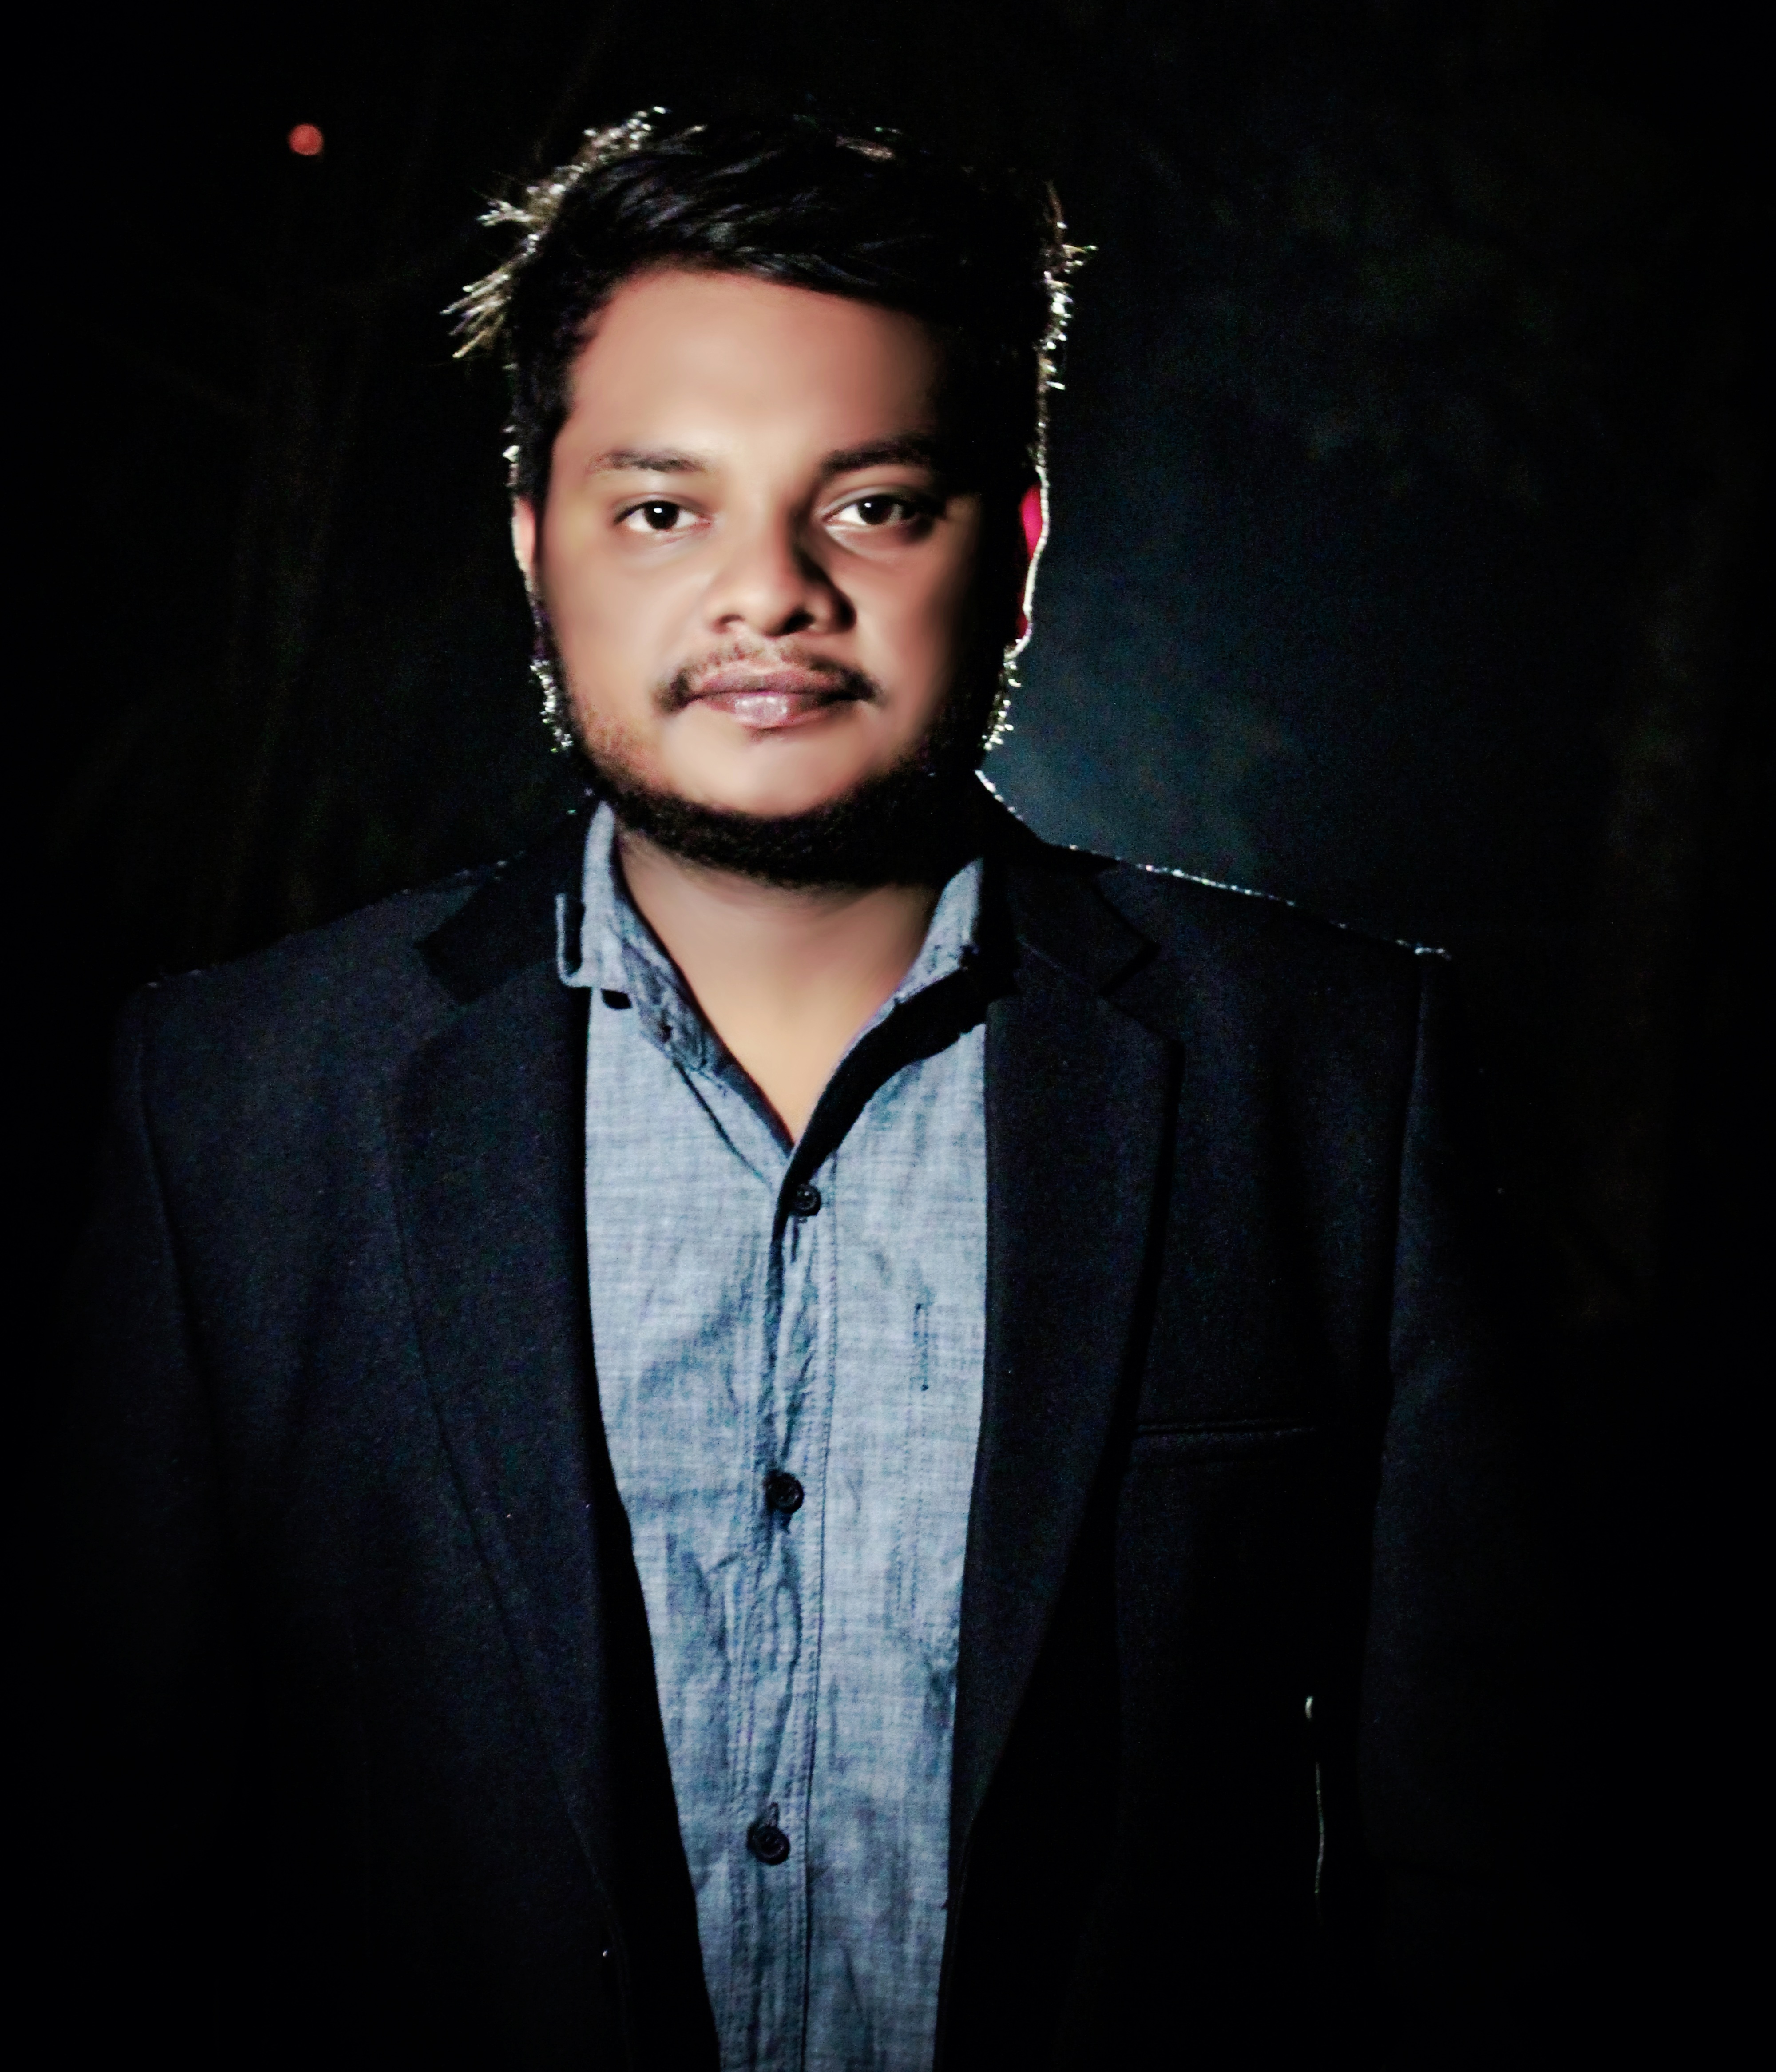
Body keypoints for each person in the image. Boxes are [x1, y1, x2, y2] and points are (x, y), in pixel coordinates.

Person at [44, 111, 1541, 2068]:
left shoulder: (1328, 1078)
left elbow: (1491, 1867)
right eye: (665, 510)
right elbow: (106, 1865)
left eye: (876, 504)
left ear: (1015, 555)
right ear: (534, 547)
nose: (768, 592)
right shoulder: (240, 1101)